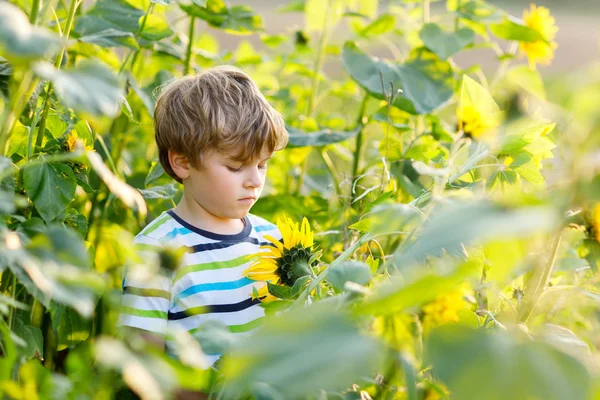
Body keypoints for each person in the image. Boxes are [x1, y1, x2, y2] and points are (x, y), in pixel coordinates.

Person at [116, 66, 288, 378]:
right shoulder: (156, 251)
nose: (254, 181)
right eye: (236, 167)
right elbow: (144, 363)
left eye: (262, 164)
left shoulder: (271, 238)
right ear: (182, 162)